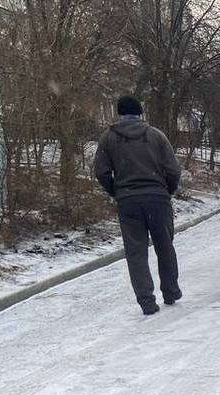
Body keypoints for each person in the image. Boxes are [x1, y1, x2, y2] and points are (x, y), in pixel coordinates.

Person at [93, 96, 183, 315]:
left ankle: (146, 301)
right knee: (165, 246)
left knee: (136, 252)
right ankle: (170, 291)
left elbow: (101, 172)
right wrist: (166, 190)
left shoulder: (108, 139)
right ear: (141, 113)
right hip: (157, 199)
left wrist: (117, 191)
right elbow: (173, 170)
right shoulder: (156, 136)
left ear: (119, 113)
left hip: (128, 202)